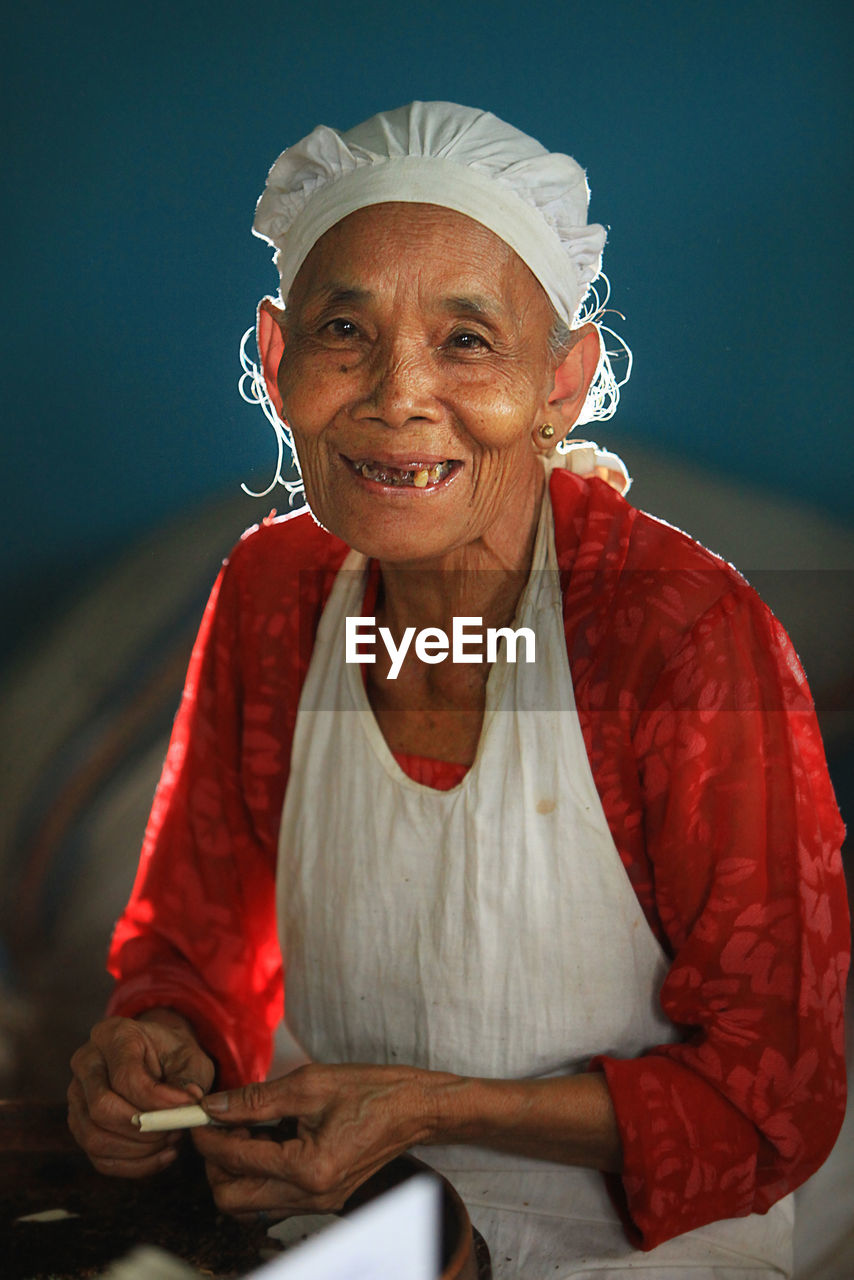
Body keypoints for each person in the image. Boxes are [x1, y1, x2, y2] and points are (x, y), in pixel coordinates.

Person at [67, 103, 849, 1278]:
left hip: (648, 1246)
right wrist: (160, 1040)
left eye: (467, 339)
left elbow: (766, 1096)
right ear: (278, 362)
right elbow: (195, 946)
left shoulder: (679, 634)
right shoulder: (273, 594)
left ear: (563, 380)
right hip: (349, 1216)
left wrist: (424, 1105)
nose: (398, 393)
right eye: (346, 330)